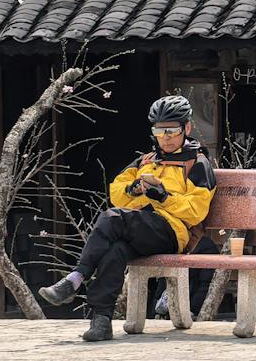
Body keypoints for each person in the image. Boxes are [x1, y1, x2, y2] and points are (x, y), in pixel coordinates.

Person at [38, 95, 215, 341]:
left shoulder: (198, 164)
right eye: (159, 131)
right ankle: (100, 320)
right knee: (116, 251)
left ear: (187, 128)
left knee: (112, 218)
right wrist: (133, 189)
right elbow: (116, 193)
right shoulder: (146, 160)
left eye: (172, 130)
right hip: (137, 227)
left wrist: (163, 197)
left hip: (171, 232)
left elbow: (196, 210)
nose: (165, 137)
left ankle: (76, 277)